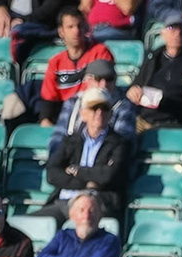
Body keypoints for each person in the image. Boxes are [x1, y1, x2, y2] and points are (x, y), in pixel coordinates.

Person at [42, 90, 129, 222]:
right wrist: (87, 184)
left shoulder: (119, 143)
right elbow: (52, 174)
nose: (99, 113)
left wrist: (75, 170)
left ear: (110, 114)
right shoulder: (70, 141)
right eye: (94, 108)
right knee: (28, 225)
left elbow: (108, 175)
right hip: (65, 202)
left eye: (104, 108)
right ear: (83, 114)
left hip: (98, 206)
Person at [26, 9, 115, 127]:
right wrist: (46, 121)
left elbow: (104, 88)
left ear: (86, 28)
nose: (76, 31)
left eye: (80, 26)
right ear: (61, 32)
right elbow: (49, 101)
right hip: (64, 116)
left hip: (93, 113)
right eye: (70, 27)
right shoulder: (55, 62)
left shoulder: (100, 52)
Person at [129, 18, 182, 131]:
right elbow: (135, 86)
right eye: (172, 28)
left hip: (180, 122)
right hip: (145, 121)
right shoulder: (153, 58)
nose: (177, 33)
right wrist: (133, 91)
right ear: (163, 33)